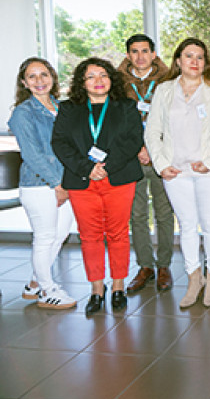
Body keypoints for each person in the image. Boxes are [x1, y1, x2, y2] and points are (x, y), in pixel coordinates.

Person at [145, 38, 210, 309]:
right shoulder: (163, 90)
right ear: (178, 61)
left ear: (205, 62)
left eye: (199, 57)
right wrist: (161, 164)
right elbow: (152, 130)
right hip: (176, 171)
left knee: (209, 225)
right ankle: (193, 279)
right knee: (186, 226)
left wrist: (209, 161)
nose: (194, 61)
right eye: (188, 56)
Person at [51, 57, 143, 316]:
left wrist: (107, 166)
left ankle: (117, 287)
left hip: (118, 178)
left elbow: (133, 140)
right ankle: (96, 289)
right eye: (91, 76)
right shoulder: (69, 108)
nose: (98, 81)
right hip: (82, 181)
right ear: (82, 82)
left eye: (103, 75)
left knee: (117, 234)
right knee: (89, 236)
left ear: (111, 78)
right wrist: (87, 168)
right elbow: (60, 143)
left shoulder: (126, 106)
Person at [8, 58, 77, 309]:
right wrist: (57, 183)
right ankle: (48, 290)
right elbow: (32, 154)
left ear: (52, 77)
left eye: (44, 75)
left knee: (59, 235)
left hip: (65, 183)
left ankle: (35, 283)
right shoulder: (23, 113)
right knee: (45, 237)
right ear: (24, 83)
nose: (39, 81)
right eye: (33, 76)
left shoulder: (61, 108)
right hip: (40, 185)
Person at [118, 34, 176, 294]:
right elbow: (115, 123)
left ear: (154, 54)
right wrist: (138, 149)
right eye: (134, 51)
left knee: (164, 213)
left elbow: (175, 121)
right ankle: (145, 266)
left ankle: (164, 265)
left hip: (162, 157)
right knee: (137, 215)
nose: (140, 56)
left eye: (145, 51)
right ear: (128, 55)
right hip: (131, 158)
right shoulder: (117, 84)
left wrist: (154, 149)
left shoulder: (170, 80)